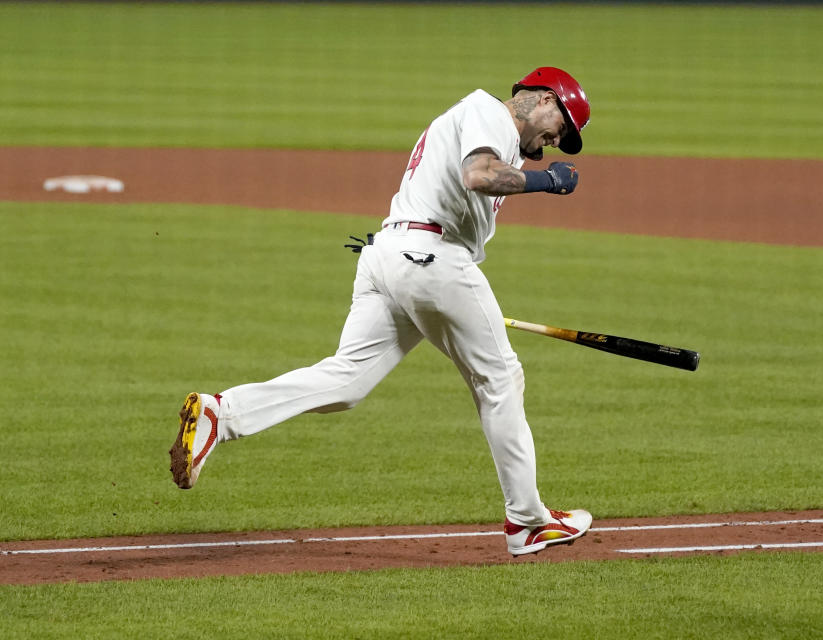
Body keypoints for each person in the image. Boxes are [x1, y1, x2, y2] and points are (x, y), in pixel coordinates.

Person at [170, 67, 593, 556]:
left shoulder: (482, 126)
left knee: (346, 382)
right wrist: (547, 181)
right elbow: (478, 176)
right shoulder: (488, 113)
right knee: (501, 380)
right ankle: (528, 521)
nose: (554, 141)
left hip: (393, 252)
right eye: (560, 126)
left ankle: (221, 414)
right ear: (542, 98)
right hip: (431, 258)